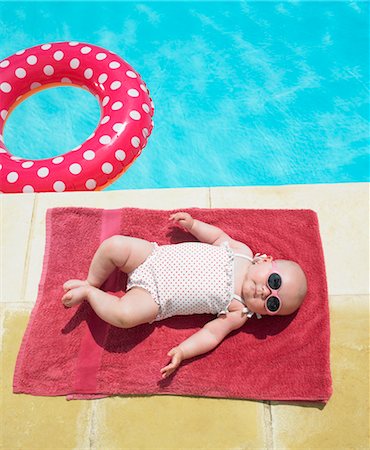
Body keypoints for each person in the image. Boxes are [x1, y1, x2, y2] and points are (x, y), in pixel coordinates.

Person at [62, 212, 307, 379]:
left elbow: (211, 334)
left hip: (156, 298)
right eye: (273, 281)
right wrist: (193, 225)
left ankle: (89, 293)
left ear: (265, 313)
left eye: (272, 303)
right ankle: (91, 280)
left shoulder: (239, 310)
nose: (265, 292)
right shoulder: (241, 251)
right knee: (114, 245)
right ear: (265, 260)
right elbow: (218, 237)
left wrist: (183, 351)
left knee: (124, 316)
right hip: (152, 257)